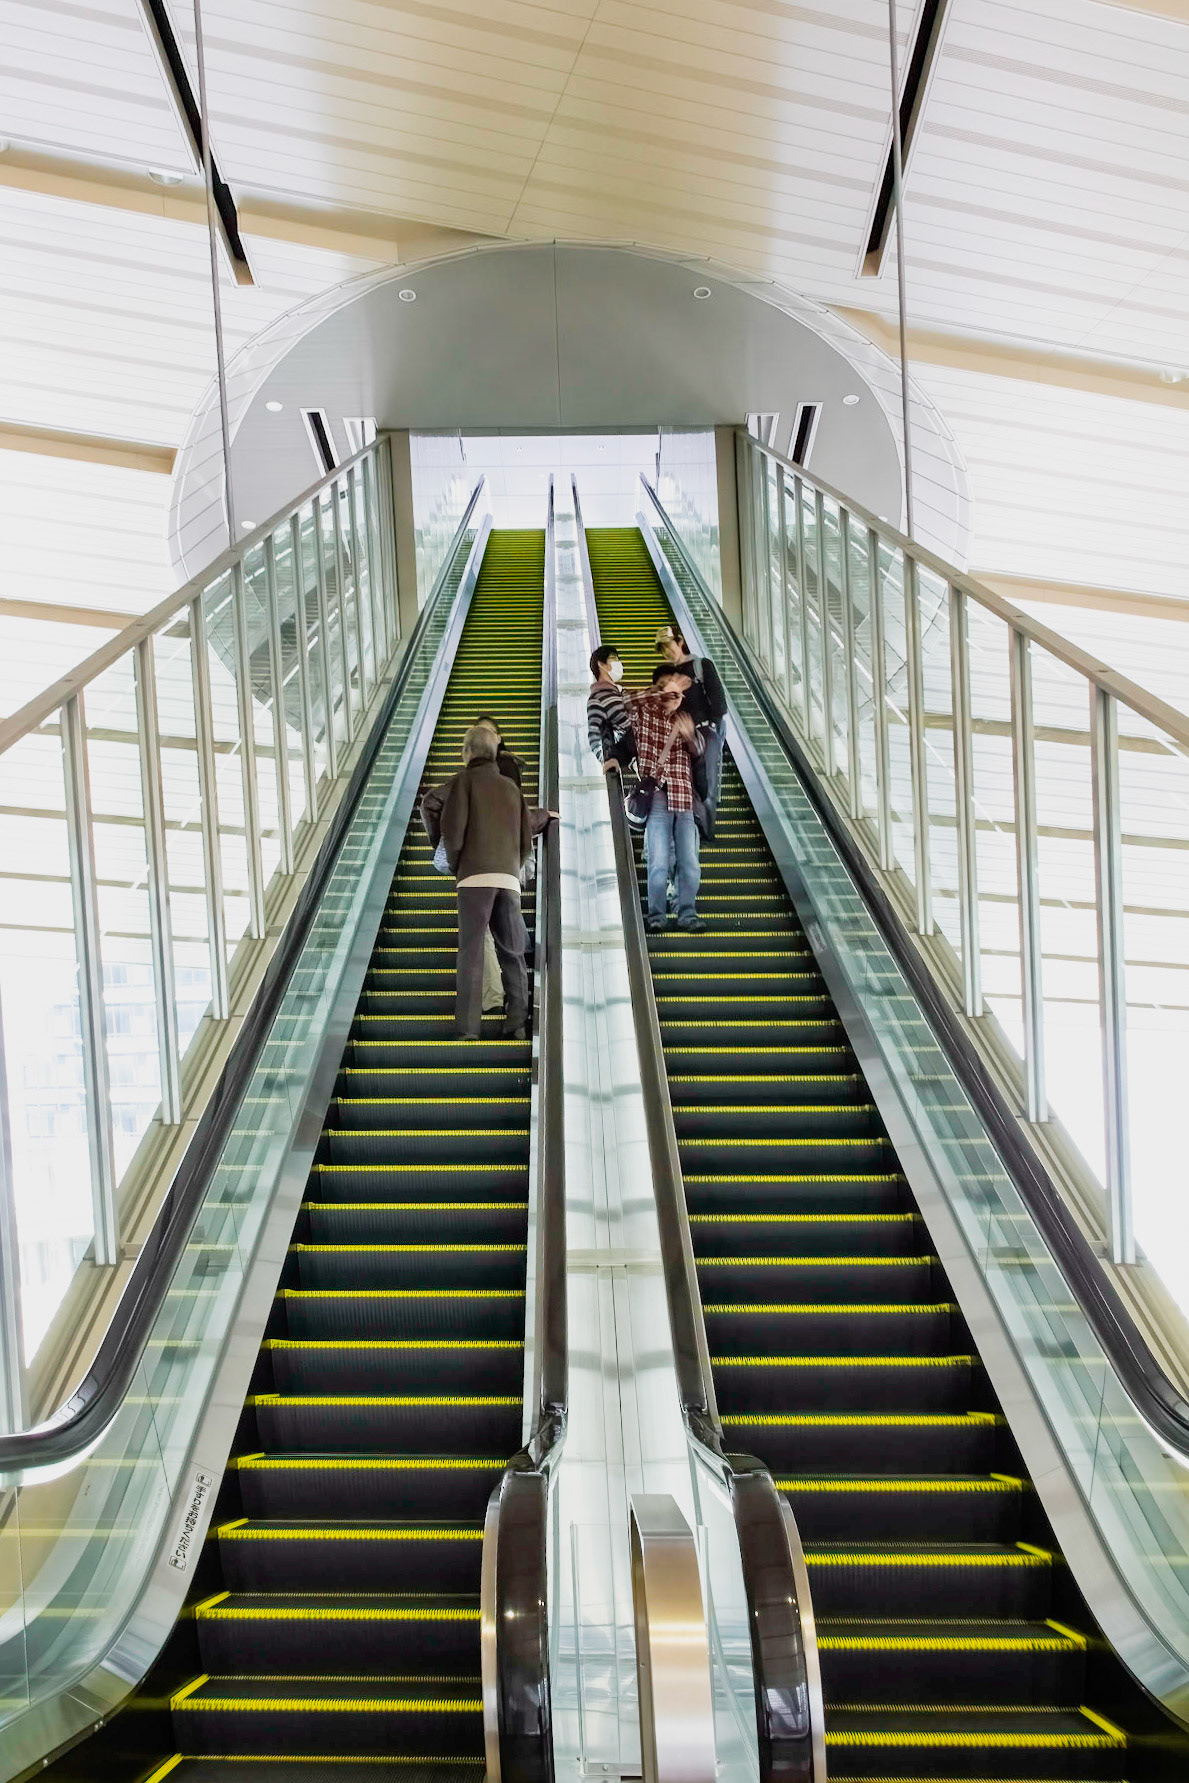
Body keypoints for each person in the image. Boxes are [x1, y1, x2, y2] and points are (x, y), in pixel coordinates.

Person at [432, 724, 532, 1039]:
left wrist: (457, 860)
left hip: (474, 876)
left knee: (472, 952)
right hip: (508, 875)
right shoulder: (511, 788)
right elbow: (526, 837)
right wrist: (512, 864)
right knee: (512, 950)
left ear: (467, 752)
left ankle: (468, 1029)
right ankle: (517, 1022)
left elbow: (450, 825)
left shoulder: (462, 782)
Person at [625, 670, 706, 933]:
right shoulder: (646, 716)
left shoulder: (684, 719)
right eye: (672, 693)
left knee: (689, 860)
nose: (677, 698)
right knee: (658, 858)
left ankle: (687, 913)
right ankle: (657, 915)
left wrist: (690, 735)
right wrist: (661, 693)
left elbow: (701, 752)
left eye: (680, 695)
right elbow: (625, 703)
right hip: (658, 793)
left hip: (684, 796)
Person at [651, 624, 727, 837]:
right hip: (679, 738)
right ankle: (696, 825)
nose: (667, 652)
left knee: (706, 782)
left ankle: (708, 830)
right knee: (687, 784)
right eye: (662, 649)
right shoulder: (668, 677)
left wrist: (703, 724)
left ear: (680, 642)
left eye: (669, 645)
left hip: (704, 732)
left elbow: (720, 705)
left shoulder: (701, 666)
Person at [587, 645, 635, 773]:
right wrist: (608, 759)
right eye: (613, 659)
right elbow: (594, 733)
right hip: (635, 755)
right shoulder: (598, 697)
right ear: (601, 664)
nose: (618, 663)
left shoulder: (622, 692)